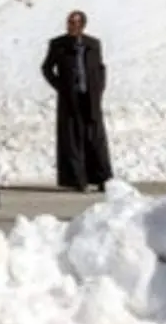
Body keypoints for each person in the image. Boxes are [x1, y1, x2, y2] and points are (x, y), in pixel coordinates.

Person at [41, 10, 113, 192]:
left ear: (82, 25)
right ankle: (77, 179)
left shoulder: (93, 44)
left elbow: (100, 67)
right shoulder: (58, 44)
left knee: (95, 138)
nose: (72, 25)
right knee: (73, 139)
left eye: (76, 22)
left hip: (90, 97)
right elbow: (47, 67)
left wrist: (99, 87)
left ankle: (101, 177)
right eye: (70, 22)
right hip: (70, 98)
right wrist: (60, 86)